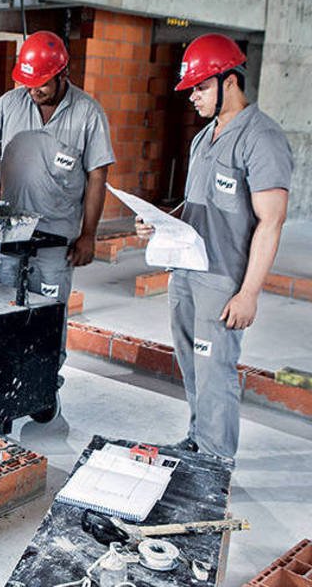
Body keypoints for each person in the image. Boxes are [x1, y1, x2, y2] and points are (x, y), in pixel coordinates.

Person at [137, 34, 291, 460]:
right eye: (192, 89)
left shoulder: (262, 139)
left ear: (230, 82)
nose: (193, 97)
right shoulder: (203, 139)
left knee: (215, 369)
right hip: (187, 272)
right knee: (192, 365)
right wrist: (161, 225)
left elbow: (271, 221)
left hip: (223, 281)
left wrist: (249, 293)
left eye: (201, 87)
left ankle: (216, 460)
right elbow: (197, 205)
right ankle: (199, 441)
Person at [0, 30, 115, 364]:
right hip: (10, 233)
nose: (34, 91)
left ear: (62, 75)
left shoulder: (88, 114)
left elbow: (98, 176)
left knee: (47, 315)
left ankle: (45, 379)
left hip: (57, 241)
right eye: (29, 83)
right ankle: (1, 374)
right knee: (2, 310)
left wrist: (88, 235)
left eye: (41, 83)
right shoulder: (11, 103)